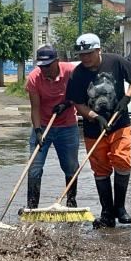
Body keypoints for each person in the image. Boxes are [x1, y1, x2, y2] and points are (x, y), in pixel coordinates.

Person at [65, 33, 131, 228]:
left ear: (98, 50)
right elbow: (78, 104)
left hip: (119, 123)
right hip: (94, 128)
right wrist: (94, 116)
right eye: (81, 54)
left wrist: (127, 98)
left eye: (89, 53)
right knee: (100, 169)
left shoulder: (115, 61)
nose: (85, 58)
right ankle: (107, 213)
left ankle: (120, 208)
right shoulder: (77, 74)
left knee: (122, 160)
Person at [24, 45, 80, 209]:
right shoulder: (34, 78)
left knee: (70, 166)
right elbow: (35, 108)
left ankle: (71, 202)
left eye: (48, 65)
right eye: (41, 66)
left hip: (67, 127)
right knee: (34, 167)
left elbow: (78, 94)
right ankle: (32, 206)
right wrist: (38, 131)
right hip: (43, 125)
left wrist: (67, 104)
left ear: (57, 61)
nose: (44, 70)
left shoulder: (70, 71)